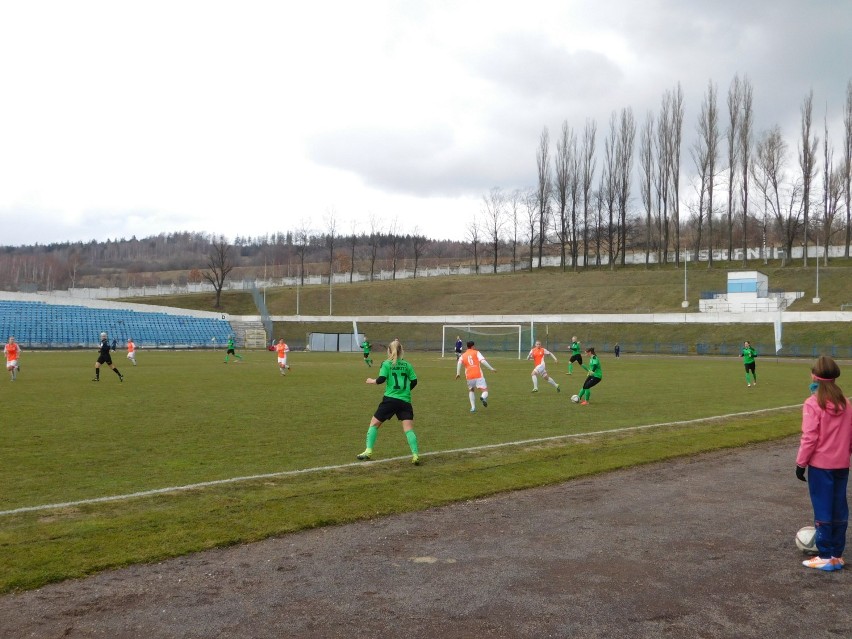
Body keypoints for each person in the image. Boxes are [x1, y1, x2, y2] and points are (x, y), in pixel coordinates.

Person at [795, 355, 852, 571]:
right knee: (839, 507)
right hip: (841, 465)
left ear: (814, 376)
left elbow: (810, 437)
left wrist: (801, 463)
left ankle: (826, 555)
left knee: (823, 508)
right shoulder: (846, 403)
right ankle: (836, 554)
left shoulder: (812, 403)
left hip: (821, 466)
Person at [356, 339, 420, 465]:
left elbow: (381, 380)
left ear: (389, 351)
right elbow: (414, 381)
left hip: (390, 400)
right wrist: (406, 391)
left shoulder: (386, 363)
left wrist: (371, 380)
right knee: (408, 429)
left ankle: (368, 451)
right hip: (405, 401)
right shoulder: (407, 365)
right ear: (401, 350)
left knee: (374, 424)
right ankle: (415, 454)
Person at [456, 340, 496, 412]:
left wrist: (458, 373)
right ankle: (483, 397)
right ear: (473, 346)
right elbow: (483, 361)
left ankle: (473, 408)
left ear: (467, 346)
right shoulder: (476, 352)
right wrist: (491, 368)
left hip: (469, 376)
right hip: (478, 374)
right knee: (485, 390)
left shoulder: (463, 355)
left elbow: (459, 363)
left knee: (471, 390)